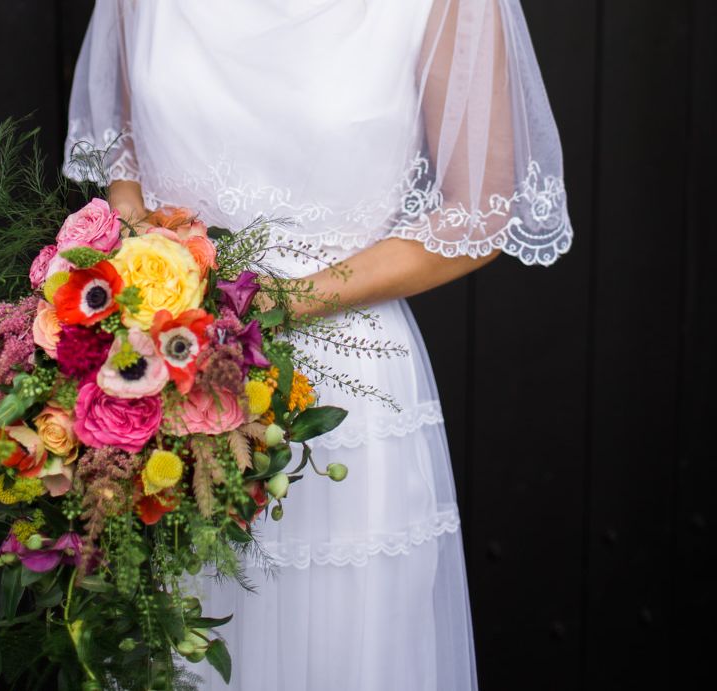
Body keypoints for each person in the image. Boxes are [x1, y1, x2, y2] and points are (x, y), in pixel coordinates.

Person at [63, 1, 573, 689]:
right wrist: (140, 283)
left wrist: (278, 302)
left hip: (347, 398)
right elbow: (124, 148)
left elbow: (479, 209)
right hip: (168, 380)